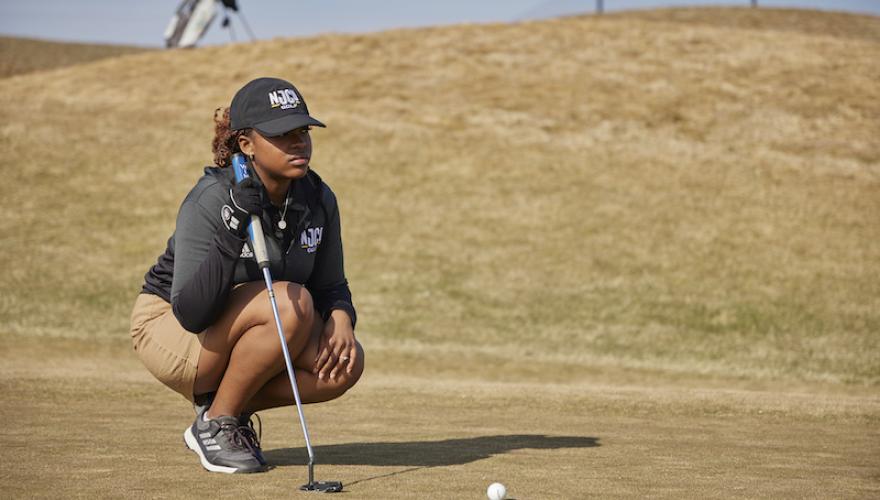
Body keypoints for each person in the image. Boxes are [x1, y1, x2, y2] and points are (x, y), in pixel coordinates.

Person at [129, 77, 364, 474]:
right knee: (290, 304)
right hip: (169, 327)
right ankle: (216, 423)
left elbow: (330, 285)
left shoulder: (318, 198)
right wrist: (234, 224)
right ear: (246, 144)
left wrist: (341, 317)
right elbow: (192, 312)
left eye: (303, 131)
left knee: (345, 364)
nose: (299, 143)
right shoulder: (212, 197)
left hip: (254, 324)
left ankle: (227, 406)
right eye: (282, 134)